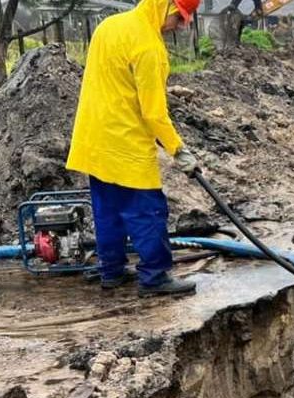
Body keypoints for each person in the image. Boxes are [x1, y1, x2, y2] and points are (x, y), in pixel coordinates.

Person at [66, 0, 202, 297]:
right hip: (125, 144)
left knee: (108, 211)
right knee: (147, 211)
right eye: (179, 18)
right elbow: (154, 113)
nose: (179, 26)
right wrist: (179, 150)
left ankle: (111, 272)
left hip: (95, 140)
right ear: (165, 6)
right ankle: (155, 277)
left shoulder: (109, 26)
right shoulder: (149, 48)